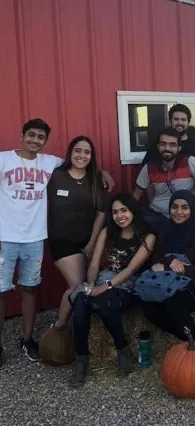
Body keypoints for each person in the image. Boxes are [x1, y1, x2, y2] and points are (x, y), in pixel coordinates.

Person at [0, 118, 114, 365]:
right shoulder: (4, 159)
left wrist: (103, 172)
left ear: (46, 141)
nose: (35, 141)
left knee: (29, 289)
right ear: (22, 135)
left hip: (35, 238)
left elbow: (88, 169)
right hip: (7, 237)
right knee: (2, 291)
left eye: (40, 137)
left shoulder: (50, 164)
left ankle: (28, 339)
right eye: (31, 135)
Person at [69, 194, 155, 387]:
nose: (119, 216)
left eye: (124, 210)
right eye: (115, 212)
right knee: (81, 302)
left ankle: (123, 350)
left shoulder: (147, 236)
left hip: (129, 286)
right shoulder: (107, 232)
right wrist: (91, 285)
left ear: (133, 210)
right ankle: (81, 360)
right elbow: (94, 264)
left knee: (104, 301)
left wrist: (104, 287)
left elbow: (131, 269)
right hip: (102, 280)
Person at [47, 136, 108, 331]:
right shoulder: (56, 175)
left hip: (87, 239)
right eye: (78, 150)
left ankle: (79, 325)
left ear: (92, 156)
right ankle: (60, 327)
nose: (82, 155)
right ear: (70, 152)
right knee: (77, 285)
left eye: (87, 152)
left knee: (85, 284)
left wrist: (91, 243)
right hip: (61, 239)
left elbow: (101, 214)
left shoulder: (96, 180)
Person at [140, 190, 195, 345]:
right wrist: (171, 262)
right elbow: (156, 260)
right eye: (174, 207)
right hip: (171, 281)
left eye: (185, 208)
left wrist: (178, 268)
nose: (179, 212)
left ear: (192, 209)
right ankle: (190, 339)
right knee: (147, 304)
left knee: (171, 300)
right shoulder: (166, 230)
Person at [133, 127, 195, 233]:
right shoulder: (149, 168)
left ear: (179, 148)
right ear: (158, 146)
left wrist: (191, 193)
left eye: (172, 145)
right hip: (155, 216)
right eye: (163, 144)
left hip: (182, 217)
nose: (167, 148)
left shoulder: (189, 161)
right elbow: (135, 196)